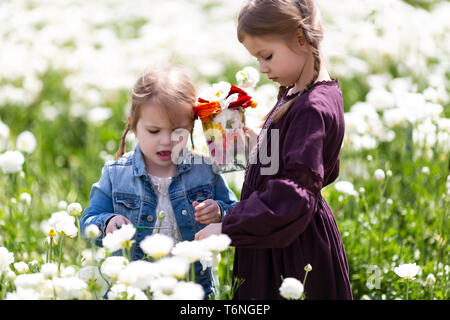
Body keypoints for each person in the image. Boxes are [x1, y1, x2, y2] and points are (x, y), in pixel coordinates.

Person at [195, 0, 353, 300]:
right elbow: (310, 166)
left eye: (267, 56)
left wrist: (229, 225)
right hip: (278, 233)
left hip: (291, 249)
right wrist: (263, 144)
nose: (262, 68)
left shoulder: (312, 108)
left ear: (300, 38)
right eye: (257, 59)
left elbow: (295, 191)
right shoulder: (301, 91)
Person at [80, 66, 238, 298]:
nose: (166, 141)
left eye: (178, 131)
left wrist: (219, 212)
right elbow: (88, 222)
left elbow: (237, 213)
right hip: (133, 287)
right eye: (154, 131)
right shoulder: (116, 174)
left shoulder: (205, 171)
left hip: (192, 286)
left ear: (191, 127)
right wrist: (107, 223)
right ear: (133, 124)